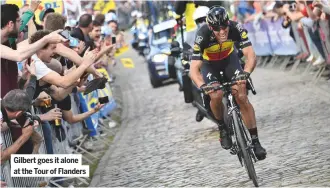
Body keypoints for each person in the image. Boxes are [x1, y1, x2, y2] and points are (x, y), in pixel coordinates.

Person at [190, 6, 266, 160]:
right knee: (216, 95)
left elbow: (250, 55)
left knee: (242, 94)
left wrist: (246, 73)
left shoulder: (236, 27)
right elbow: (194, 69)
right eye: (217, 29)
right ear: (210, 28)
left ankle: (256, 141)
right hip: (209, 64)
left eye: (224, 26)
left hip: (230, 62)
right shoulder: (202, 35)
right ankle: (222, 127)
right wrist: (203, 86)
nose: (222, 31)